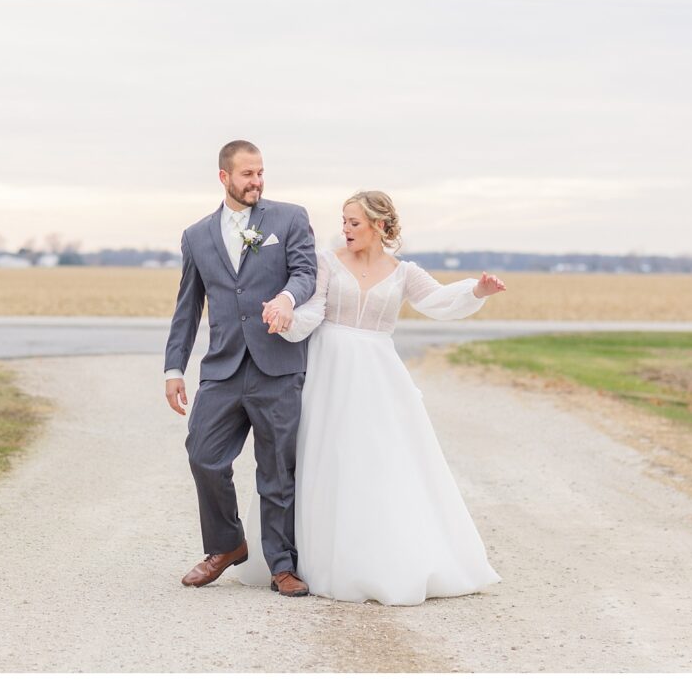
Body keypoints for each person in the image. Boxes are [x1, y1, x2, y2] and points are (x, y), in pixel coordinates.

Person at [236, 190, 506, 605]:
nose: (345, 229)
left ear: (380, 225)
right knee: (323, 458)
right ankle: (302, 559)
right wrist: (286, 319)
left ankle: (377, 559)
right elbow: (315, 310)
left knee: (379, 460)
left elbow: (436, 300)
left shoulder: (403, 272)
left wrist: (476, 291)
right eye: (343, 221)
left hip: (378, 376)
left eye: (354, 223)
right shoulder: (327, 262)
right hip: (328, 371)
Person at [163, 140, 317, 597]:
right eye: (248, 174)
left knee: (276, 470)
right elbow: (187, 308)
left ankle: (283, 567)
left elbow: (306, 273)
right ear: (224, 177)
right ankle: (227, 545)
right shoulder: (196, 236)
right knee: (203, 455)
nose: (257, 182)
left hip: (278, 366)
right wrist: (174, 368)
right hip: (223, 369)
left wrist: (287, 299)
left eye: (261, 173)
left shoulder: (289, 218)